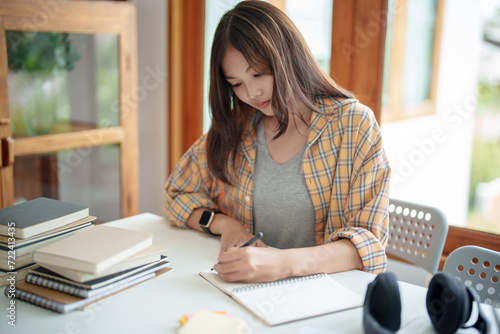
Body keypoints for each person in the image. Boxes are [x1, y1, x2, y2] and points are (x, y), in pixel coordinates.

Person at [164, 0, 391, 283]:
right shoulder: (238, 125)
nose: (252, 93)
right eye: (236, 84)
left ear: (287, 56)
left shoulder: (352, 125)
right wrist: (225, 225)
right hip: (248, 291)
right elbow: (176, 196)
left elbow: (367, 244)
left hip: (325, 294)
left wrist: (282, 264)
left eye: (258, 73)